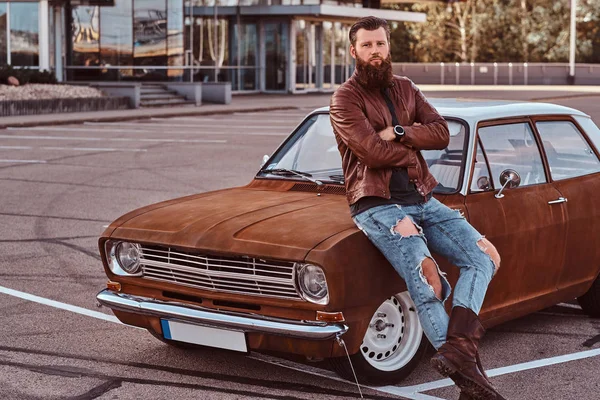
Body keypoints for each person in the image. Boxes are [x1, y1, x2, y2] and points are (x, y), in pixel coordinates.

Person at [329, 16, 505, 400]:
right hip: (377, 205)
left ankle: (458, 351)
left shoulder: (407, 88)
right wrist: (412, 154)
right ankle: (472, 383)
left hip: (423, 198)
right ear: (354, 51)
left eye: (380, 44)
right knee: (428, 280)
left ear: (388, 46)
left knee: (485, 257)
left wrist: (401, 132)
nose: (375, 52)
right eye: (367, 45)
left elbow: (441, 133)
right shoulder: (345, 98)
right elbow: (370, 153)